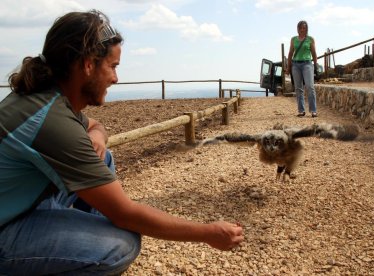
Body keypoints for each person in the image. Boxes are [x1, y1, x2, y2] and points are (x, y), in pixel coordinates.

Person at [0, 10, 244, 275]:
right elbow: (125, 213)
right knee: (120, 245)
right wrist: (207, 233)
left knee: (101, 158)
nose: (116, 78)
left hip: (19, 203)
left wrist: (96, 136)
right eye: (113, 66)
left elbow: (95, 126)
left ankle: (78, 240)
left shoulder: (45, 100)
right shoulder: (52, 122)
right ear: (87, 64)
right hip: (7, 227)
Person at [286, 20, 319, 117]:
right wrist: (288, 67)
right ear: (298, 29)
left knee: (309, 86)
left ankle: (313, 110)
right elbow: (290, 53)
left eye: (304, 28)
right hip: (295, 65)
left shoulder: (310, 39)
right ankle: (301, 110)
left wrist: (316, 65)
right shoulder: (293, 39)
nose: (302, 29)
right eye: (300, 28)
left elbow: (314, 53)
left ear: (307, 29)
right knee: (298, 88)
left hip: (307, 64)